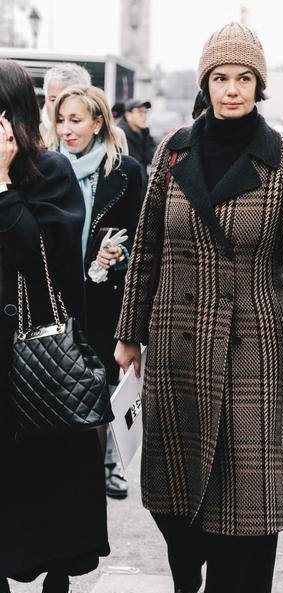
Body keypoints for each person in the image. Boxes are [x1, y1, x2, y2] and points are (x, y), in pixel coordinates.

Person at [114, 22, 283, 593]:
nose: (231, 89)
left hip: (251, 348)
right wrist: (128, 334)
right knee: (170, 492)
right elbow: (146, 248)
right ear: (205, 85)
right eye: (220, 77)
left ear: (257, 85)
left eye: (242, 78)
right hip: (178, 347)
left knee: (248, 501)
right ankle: (187, 558)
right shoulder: (173, 155)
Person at [0, 60, 109, 593]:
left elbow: (47, 272)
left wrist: (2, 186)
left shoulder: (51, 175)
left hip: (36, 363)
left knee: (51, 492)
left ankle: (57, 583)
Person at [49, 84, 143, 499]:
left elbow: (142, 240)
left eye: (76, 120)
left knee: (103, 384)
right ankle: (67, 466)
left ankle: (109, 465)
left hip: (106, 299)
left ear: (97, 122)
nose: (66, 129)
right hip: (55, 296)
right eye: (61, 120)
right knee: (57, 383)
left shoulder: (125, 171)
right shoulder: (47, 168)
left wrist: (116, 253)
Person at [41, 63, 128, 154]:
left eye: (68, 100)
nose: (59, 107)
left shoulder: (114, 136)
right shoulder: (33, 136)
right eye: (53, 100)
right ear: (45, 97)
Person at [119, 98, 156, 195]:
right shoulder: (121, 135)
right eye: (140, 112)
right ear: (128, 115)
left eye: (145, 112)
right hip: (129, 191)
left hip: (142, 188)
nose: (144, 116)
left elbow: (153, 157)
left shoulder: (144, 133)